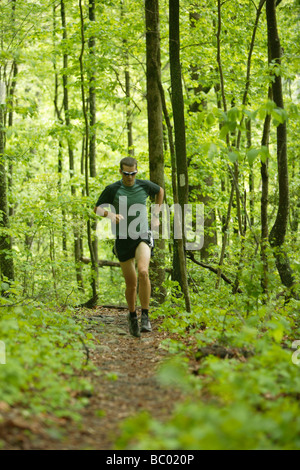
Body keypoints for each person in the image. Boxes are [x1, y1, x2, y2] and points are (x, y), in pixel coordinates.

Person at [94, 157, 164, 338]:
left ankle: (145, 316)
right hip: (123, 237)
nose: (130, 177)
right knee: (131, 284)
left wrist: (156, 215)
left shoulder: (144, 185)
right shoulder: (113, 189)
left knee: (143, 272)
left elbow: (160, 191)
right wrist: (110, 215)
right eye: (126, 173)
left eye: (133, 173)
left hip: (142, 234)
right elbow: (97, 209)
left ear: (136, 172)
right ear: (121, 172)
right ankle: (132, 315)